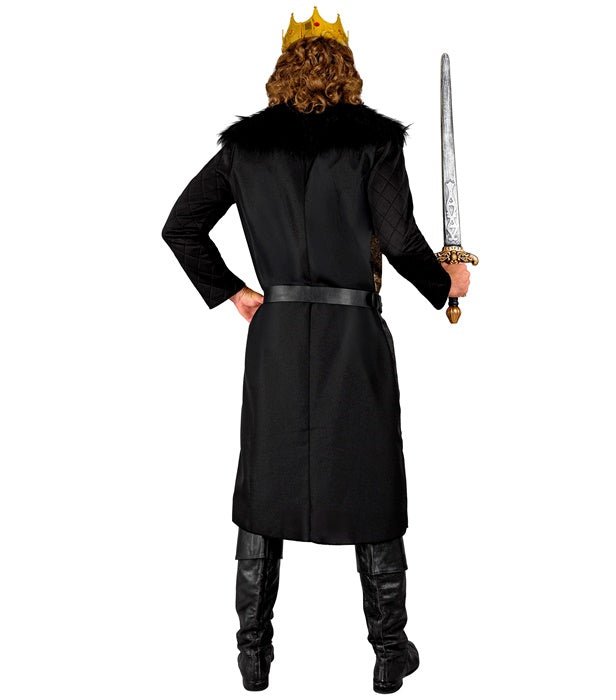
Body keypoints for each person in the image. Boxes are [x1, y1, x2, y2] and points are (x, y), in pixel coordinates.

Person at [161, 7, 471, 694]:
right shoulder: (374, 142)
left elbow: (181, 226)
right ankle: (389, 650)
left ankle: (253, 655)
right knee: (372, 480)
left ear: (282, 69)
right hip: (353, 335)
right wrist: (445, 283)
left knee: (264, 484)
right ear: (347, 68)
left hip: (275, 338)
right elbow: (400, 239)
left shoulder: (245, 149)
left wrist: (236, 292)